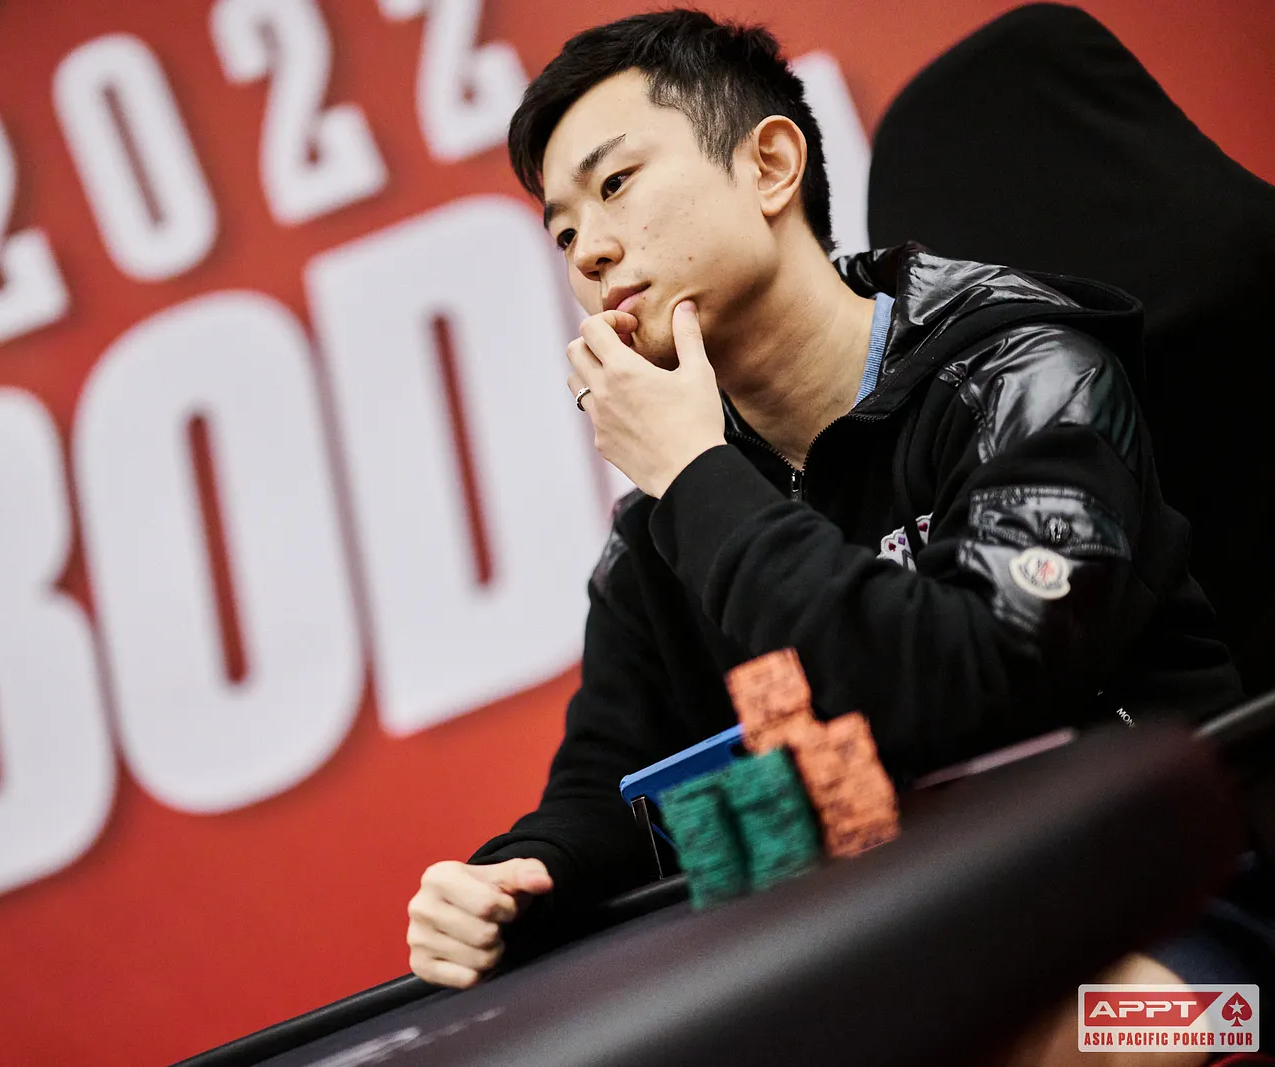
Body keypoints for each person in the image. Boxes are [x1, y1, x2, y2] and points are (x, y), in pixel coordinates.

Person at [403, 8, 1245, 1054]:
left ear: (768, 166)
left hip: (1205, 922)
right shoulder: (669, 516)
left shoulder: (1021, 373)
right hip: (933, 936)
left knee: (1080, 1038)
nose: (592, 253)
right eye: (564, 232)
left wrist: (695, 476)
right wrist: (516, 876)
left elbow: (977, 679)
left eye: (615, 184)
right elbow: (611, 793)